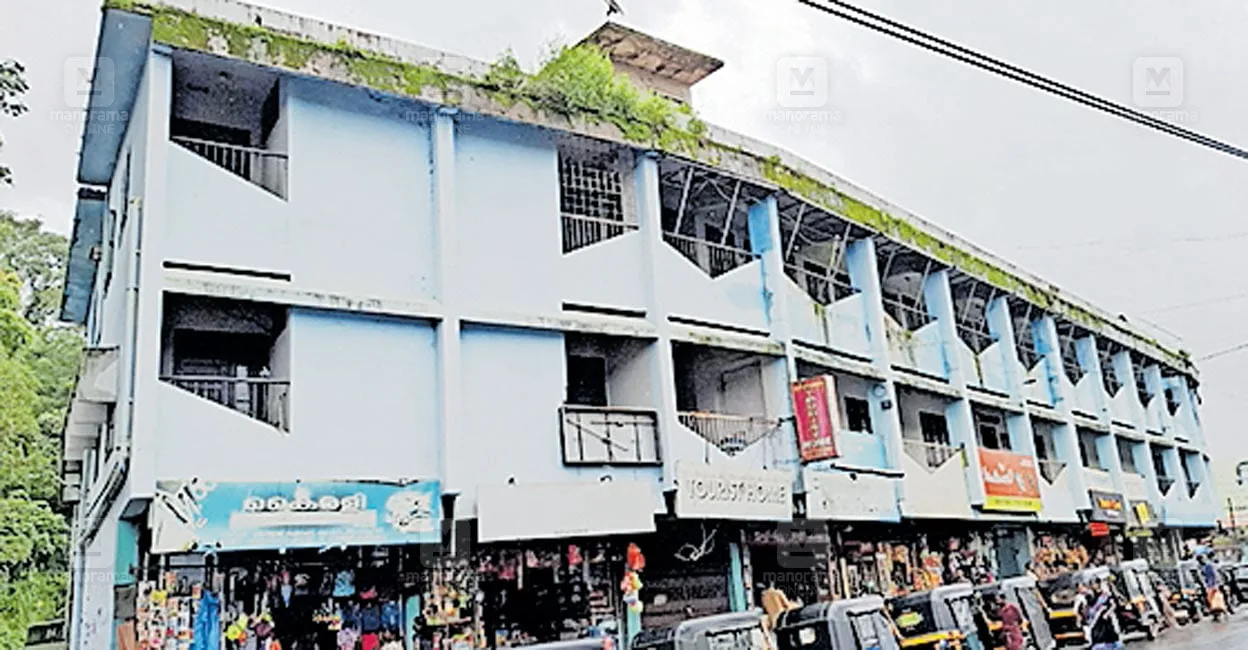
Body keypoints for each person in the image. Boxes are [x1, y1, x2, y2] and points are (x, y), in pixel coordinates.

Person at [1085, 580, 1123, 650]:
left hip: (1106, 621)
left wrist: (1107, 613)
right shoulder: (1091, 596)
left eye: (1094, 584)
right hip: (1097, 622)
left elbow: (1113, 605)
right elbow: (1089, 608)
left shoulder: (1106, 595)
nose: (1094, 586)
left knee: (1109, 638)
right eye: (1092, 584)